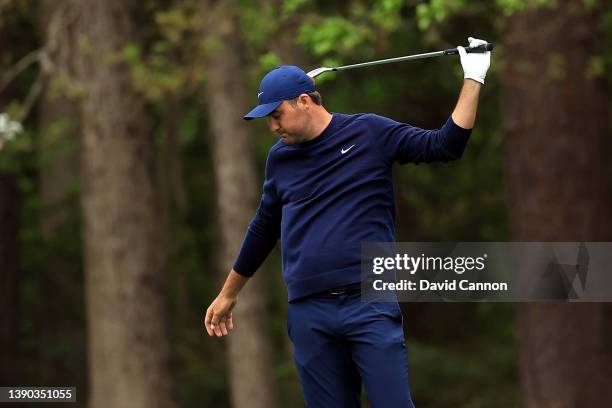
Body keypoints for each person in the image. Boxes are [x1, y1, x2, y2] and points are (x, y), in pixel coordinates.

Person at [205, 37, 491, 407]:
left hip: (367, 305)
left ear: (305, 102)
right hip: (309, 312)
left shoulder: (370, 133)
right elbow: (263, 227)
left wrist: (474, 77)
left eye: (277, 115)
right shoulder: (281, 160)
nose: (273, 127)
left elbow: (444, 146)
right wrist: (229, 293)